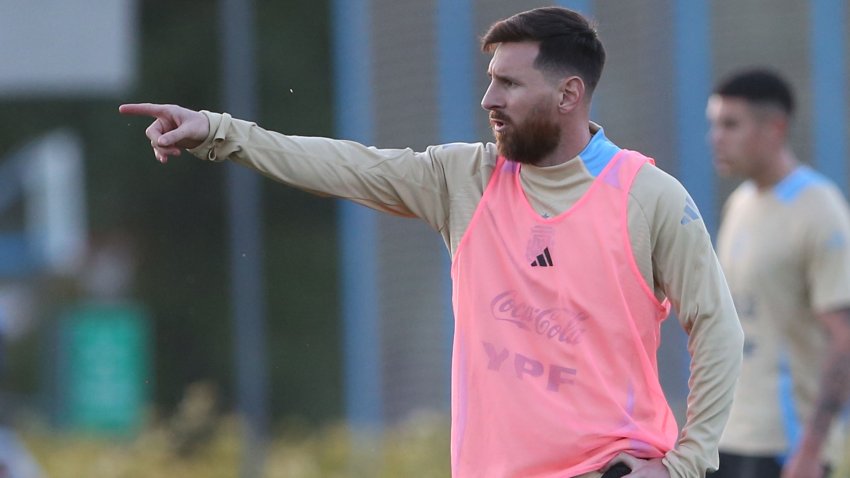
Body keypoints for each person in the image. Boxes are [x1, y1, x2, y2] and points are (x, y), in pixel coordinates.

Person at [121, 7, 743, 477]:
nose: (488, 99)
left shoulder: (648, 195)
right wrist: (217, 132)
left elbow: (717, 328)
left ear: (568, 94)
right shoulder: (464, 180)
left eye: (508, 84)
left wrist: (687, 462)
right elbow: (348, 165)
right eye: (489, 80)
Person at [707, 69, 850, 478]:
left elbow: (844, 337)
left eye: (731, 124)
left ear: (775, 128)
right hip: (726, 436)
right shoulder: (740, 203)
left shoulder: (820, 209)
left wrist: (811, 448)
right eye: (713, 124)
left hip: (783, 446)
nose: (716, 136)